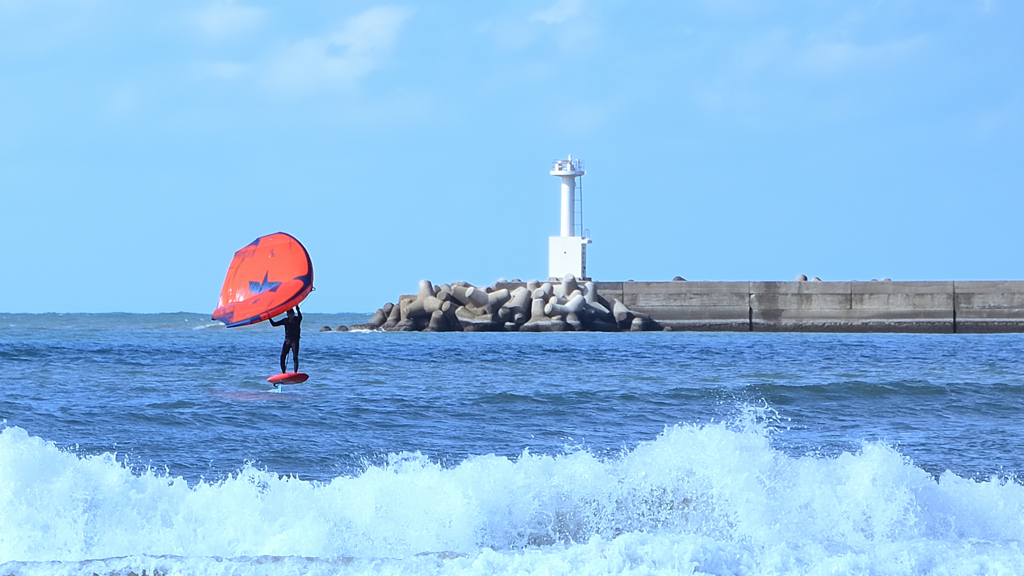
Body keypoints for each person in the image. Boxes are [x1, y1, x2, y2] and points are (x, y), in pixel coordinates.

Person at [269, 306, 302, 373]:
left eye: (290, 314)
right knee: (282, 356)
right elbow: (274, 324)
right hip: (287, 340)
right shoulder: (285, 320)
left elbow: (300, 315)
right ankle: (283, 372)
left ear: (293, 313)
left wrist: (297, 308)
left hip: (295, 341)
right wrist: (269, 317)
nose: (289, 315)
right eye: (288, 314)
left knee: (295, 356)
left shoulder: (297, 319)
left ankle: (295, 372)